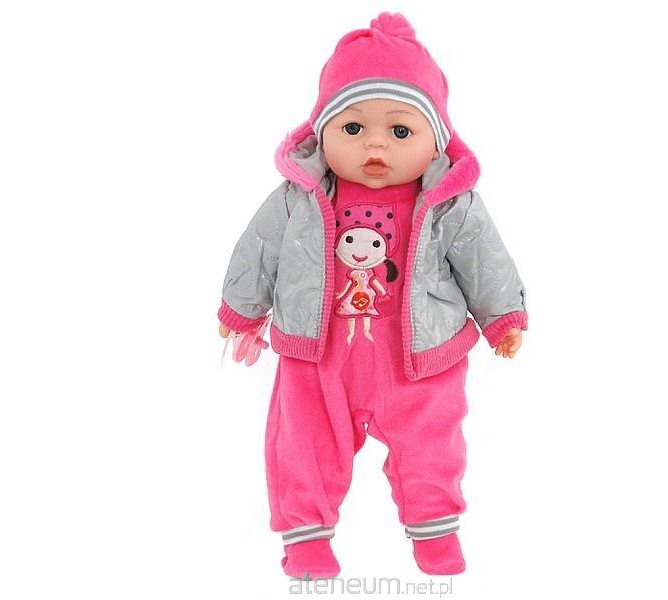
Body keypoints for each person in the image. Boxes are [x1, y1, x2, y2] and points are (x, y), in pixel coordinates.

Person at [217, 12, 528, 578]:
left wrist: (502, 318)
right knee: (303, 444)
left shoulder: (449, 203)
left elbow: (484, 258)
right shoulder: (299, 196)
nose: (376, 144)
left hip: (421, 360)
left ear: (437, 141)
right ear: (321, 133)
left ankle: (435, 530)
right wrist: (241, 311)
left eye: (401, 131)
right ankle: (306, 539)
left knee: (431, 445)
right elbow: (258, 250)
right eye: (353, 128)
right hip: (317, 357)